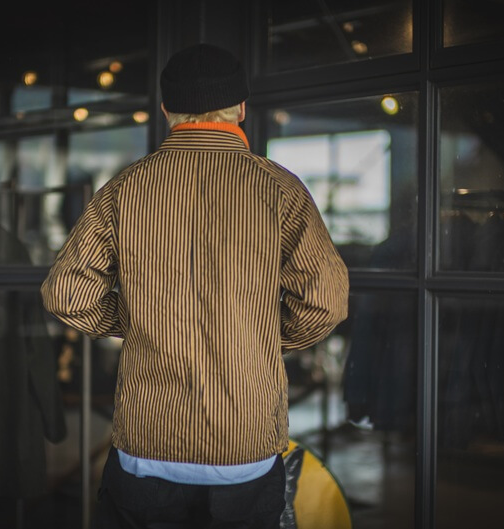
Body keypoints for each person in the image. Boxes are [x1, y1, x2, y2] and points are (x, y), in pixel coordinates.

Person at [40, 42, 349, 529]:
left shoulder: (127, 188)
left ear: (166, 109)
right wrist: (261, 336)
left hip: (148, 446)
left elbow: (65, 294)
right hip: (243, 449)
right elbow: (326, 302)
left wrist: (138, 320)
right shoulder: (279, 189)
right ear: (242, 109)